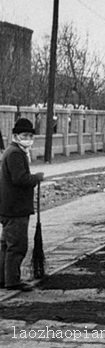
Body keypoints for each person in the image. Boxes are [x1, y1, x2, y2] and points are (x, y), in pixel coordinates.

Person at [0, 118, 45, 291]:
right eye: (24, 135)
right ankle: (12, 281)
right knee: (17, 246)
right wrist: (37, 178)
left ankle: (4, 278)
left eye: (30, 135)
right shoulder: (16, 153)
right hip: (15, 208)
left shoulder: (12, 151)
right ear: (16, 135)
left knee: (6, 245)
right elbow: (19, 179)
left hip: (8, 206)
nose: (28, 138)